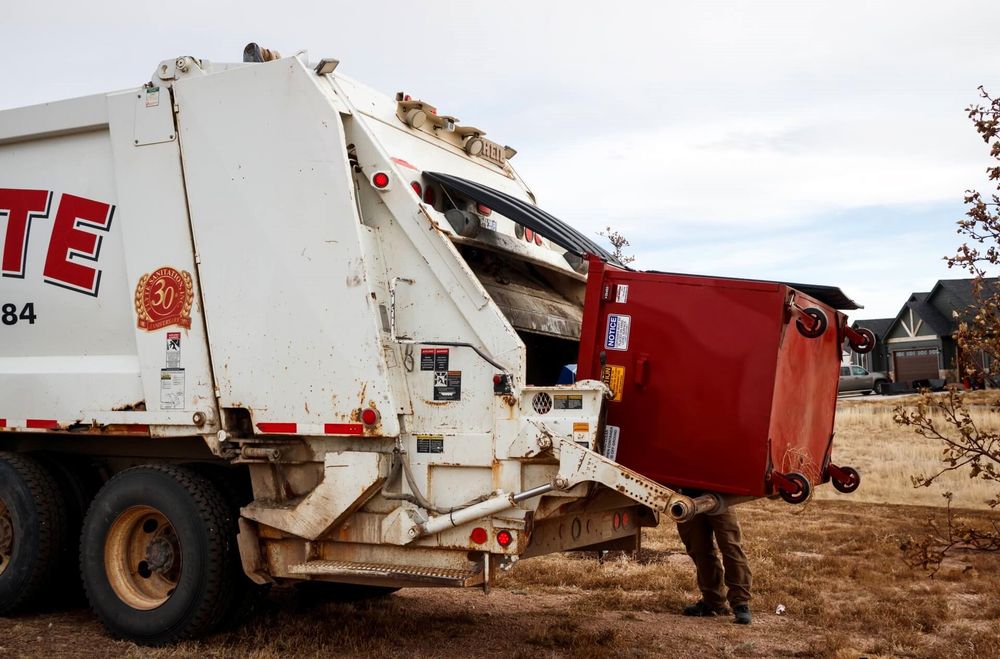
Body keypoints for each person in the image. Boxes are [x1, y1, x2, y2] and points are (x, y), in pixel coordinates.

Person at [676, 506, 752, 625]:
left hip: (720, 496)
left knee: (730, 546)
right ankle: (712, 601)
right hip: (687, 497)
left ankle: (740, 603)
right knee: (698, 548)